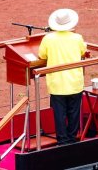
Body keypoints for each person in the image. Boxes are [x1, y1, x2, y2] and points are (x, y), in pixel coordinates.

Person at [38, 8, 87, 145]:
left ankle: (62, 140)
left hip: (57, 83)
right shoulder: (77, 38)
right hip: (74, 82)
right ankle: (72, 138)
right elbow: (83, 51)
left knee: (60, 114)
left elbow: (42, 55)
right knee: (74, 112)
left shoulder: (48, 39)